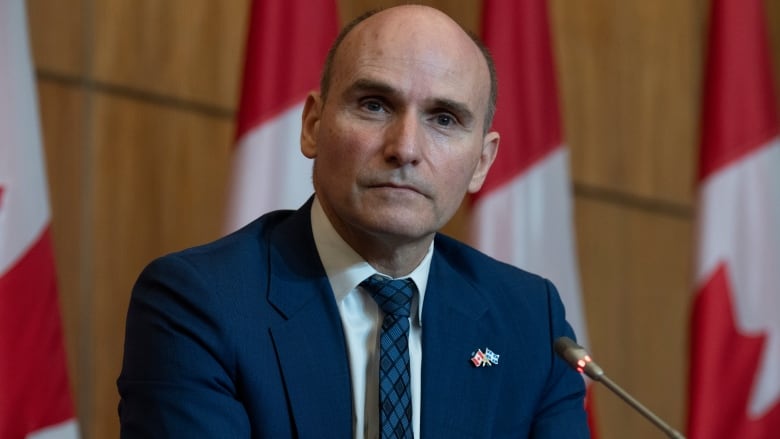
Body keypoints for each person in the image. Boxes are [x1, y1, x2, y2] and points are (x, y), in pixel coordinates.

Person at [117, 4, 589, 438]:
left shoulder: (531, 321)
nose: (405, 148)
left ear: (482, 163)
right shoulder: (200, 302)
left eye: (443, 119)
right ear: (313, 126)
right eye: (375, 105)